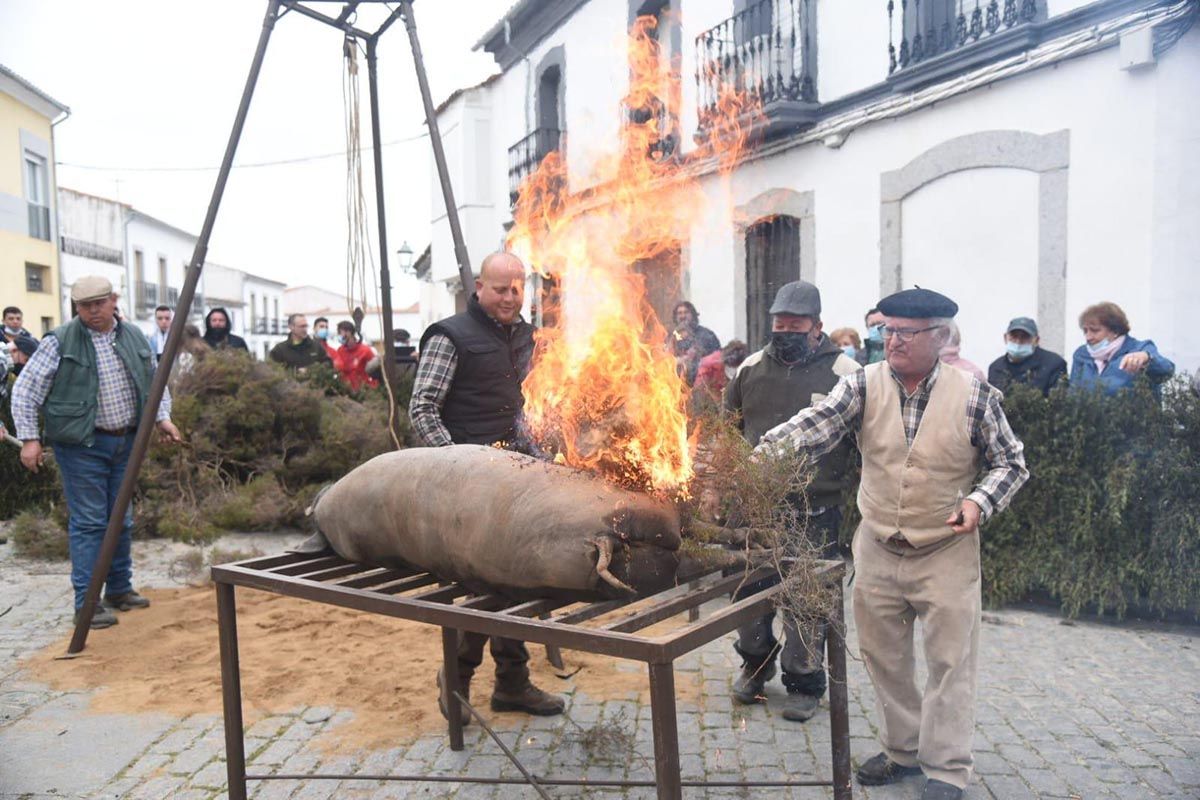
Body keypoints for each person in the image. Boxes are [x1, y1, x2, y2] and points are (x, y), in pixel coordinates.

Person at [755, 288, 1028, 800]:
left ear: (940, 337)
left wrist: (979, 503)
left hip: (945, 550)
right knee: (884, 656)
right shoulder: (860, 385)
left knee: (951, 663)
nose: (893, 340)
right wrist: (755, 460)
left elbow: (1011, 463)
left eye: (905, 332)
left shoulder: (974, 396)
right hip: (877, 545)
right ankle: (903, 751)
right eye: (887, 330)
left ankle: (946, 769)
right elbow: (810, 428)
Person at [410, 251, 564, 717]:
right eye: (500, 288)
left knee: (514, 582)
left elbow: (537, 407)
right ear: (479, 287)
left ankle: (512, 684)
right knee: (481, 587)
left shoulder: (529, 337)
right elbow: (422, 410)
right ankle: (456, 683)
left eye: (517, 288)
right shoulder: (450, 336)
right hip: (468, 486)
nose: (510, 297)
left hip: (519, 482)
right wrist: (459, 465)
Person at [10, 276, 183, 629]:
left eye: (98, 303)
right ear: (75, 307)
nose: (92, 311)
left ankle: (118, 589)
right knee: (90, 523)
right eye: (84, 305)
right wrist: (30, 438)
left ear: (113, 300)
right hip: (81, 446)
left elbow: (154, 380)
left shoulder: (133, 336)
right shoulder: (60, 342)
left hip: (127, 442)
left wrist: (163, 418)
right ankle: (86, 604)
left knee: (121, 518)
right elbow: (26, 391)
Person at [723, 281, 860, 722]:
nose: (784, 332)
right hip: (754, 512)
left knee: (806, 601)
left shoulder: (843, 372)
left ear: (817, 327)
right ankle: (754, 664)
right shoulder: (749, 369)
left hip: (815, 512)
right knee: (749, 596)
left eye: (795, 325)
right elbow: (728, 431)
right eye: (779, 324)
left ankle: (804, 683)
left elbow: (861, 444)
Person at [1069, 302, 1175, 397]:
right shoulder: (1081, 355)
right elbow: (1072, 394)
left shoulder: (1139, 348)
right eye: (1085, 331)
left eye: (1094, 331)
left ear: (1115, 331)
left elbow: (1166, 371)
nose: (1088, 337)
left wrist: (1147, 359)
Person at [986, 317, 1067, 396]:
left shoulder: (1053, 364)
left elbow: (1058, 402)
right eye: (1014, 336)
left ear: (1036, 340)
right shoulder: (996, 367)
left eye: (1025, 337)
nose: (1018, 341)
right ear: (1005, 338)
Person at [669, 300, 721, 385]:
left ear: (693, 315)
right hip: (677, 387)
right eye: (679, 313)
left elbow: (716, 359)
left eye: (686, 312)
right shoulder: (672, 336)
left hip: (702, 385)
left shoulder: (706, 335)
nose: (682, 316)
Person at [692, 340, 748, 413]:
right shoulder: (709, 365)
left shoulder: (745, 367)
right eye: (731, 366)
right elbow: (700, 389)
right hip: (706, 403)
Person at [329, 322, 377, 390]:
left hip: (363, 389)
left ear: (349, 332)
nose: (341, 336)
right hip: (346, 389)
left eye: (341, 333)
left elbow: (375, 370)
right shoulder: (340, 351)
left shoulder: (365, 350)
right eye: (339, 333)